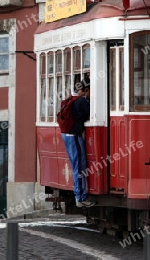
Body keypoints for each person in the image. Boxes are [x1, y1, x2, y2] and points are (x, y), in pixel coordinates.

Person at [61, 77, 95, 208]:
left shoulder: (71, 98)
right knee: (79, 167)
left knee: (76, 166)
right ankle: (80, 197)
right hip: (74, 136)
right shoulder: (81, 101)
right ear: (86, 90)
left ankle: (79, 196)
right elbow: (91, 113)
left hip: (67, 135)